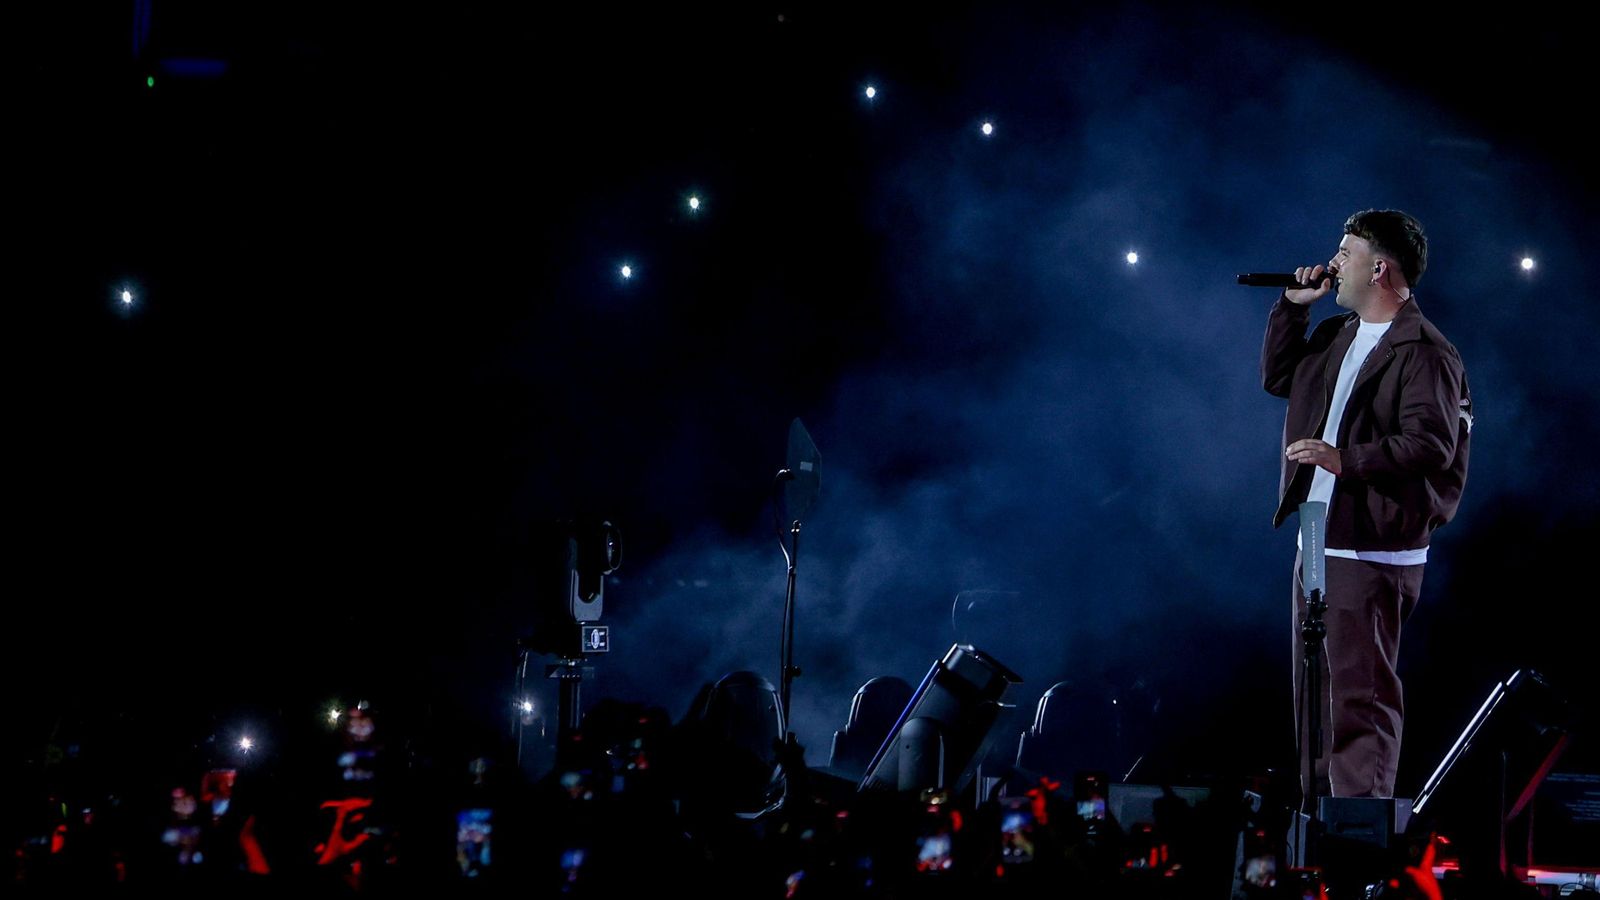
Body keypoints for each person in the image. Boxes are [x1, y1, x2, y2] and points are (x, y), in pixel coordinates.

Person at [1261, 209, 1471, 798]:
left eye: (1345, 252)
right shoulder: (1338, 334)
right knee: (1316, 695)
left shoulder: (1424, 350)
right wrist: (1292, 308)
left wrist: (1343, 459)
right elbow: (1279, 379)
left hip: (1370, 545)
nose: (1333, 261)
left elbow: (1430, 444)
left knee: (1360, 696)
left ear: (1379, 268)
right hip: (1318, 530)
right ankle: (1318, 829)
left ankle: (1361, 846)